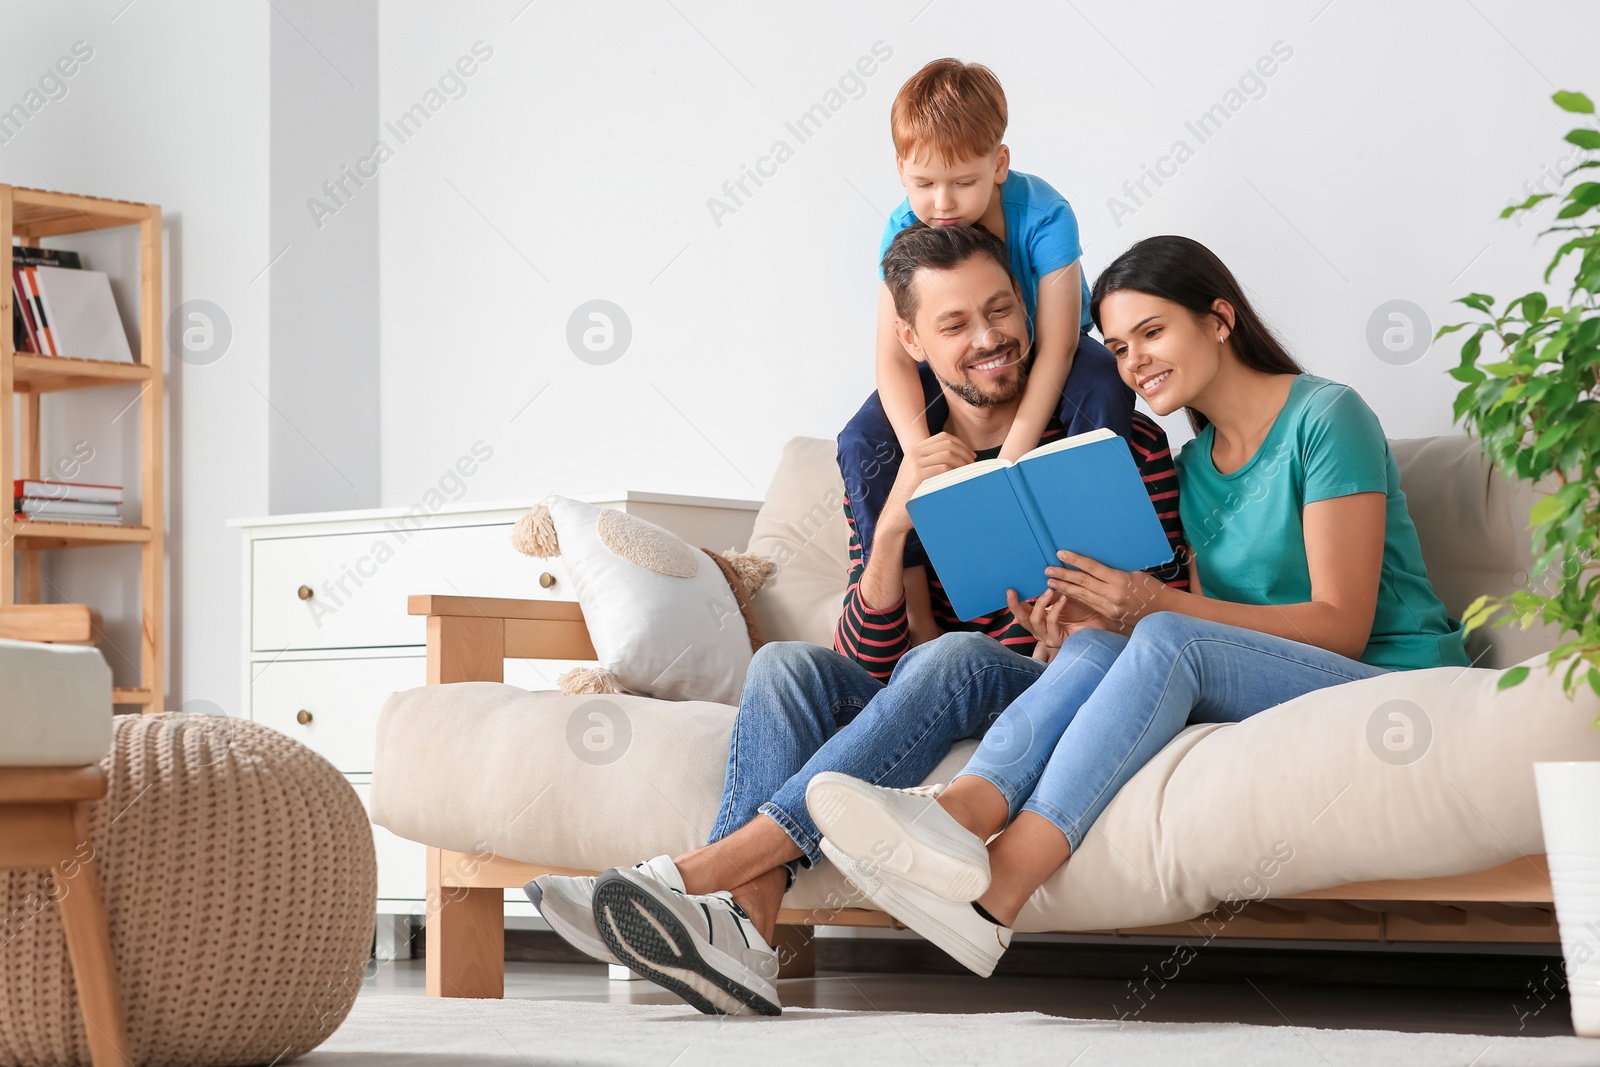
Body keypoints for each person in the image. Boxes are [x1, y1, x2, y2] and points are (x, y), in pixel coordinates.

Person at [526, 223, 1190, 1016]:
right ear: (910, 339)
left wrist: (1084, 625)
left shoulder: (1115, 438)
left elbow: (1170, 619)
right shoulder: (887, 460)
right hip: (931, 687)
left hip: (1049, 681)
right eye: (954, 325)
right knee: (786, 666)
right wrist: (892, 528)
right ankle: (747, 926)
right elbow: (866, 664)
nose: (989, 339)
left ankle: (694, 873)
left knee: (958, 656)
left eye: (1002, 310)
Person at [807, 235, 1473, 979]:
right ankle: (967, 835)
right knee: (1100, 645)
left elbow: (1342, 626)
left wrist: (1156, 604)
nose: (1134, 364)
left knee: (1166, 633)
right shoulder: (1192, 468)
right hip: (1273, 682)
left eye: (1152, 333)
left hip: (1389, 676)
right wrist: (1078, 629)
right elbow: (1214, 637)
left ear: (1220, 318)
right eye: (1119, 347)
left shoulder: (1326, 416)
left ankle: (991, 881)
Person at [843, 60, 1118, 583]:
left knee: (1102, 380)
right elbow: (893, 357)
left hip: (1043, 343)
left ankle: (1092, 558)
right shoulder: (902, 226)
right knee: (860, 437)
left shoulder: (1044, 215)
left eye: (963, 182)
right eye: (923, 183)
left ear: (999, 163)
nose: (941, 204)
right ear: (901, 169)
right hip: (964, 361)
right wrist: (921, 459)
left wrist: (1006, 465)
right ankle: (906, 588)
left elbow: (1058, 347)